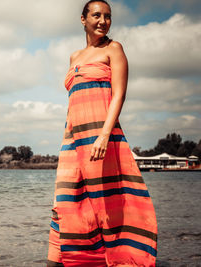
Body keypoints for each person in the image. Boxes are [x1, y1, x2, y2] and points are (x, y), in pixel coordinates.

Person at [46, 1, 158, 266]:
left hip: (102, 138)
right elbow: (73, 104)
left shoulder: (114, 49)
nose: (103, 21)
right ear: (82, 19)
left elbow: (119, 94)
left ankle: (127, 259)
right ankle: (74, 258)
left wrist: (104, 135)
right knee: (67, 200)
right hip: (74, 140)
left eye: (108, 16)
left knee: (112, 202)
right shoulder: (74, 57)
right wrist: (67, 142)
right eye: (96, 15)